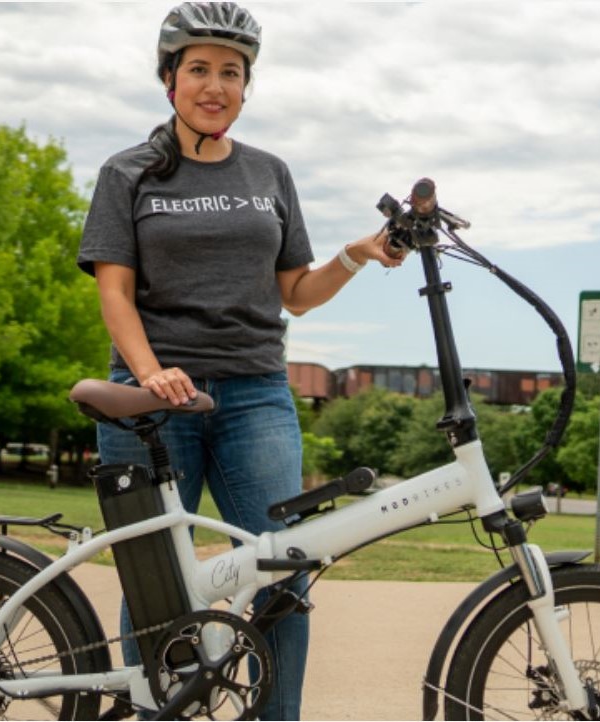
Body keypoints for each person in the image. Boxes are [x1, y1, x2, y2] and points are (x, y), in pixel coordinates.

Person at [77, 3, 406, 718]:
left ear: (246, 86)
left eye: (231, 72)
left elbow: (297, 294)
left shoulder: (269, 173)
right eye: (199, 69)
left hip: (256, 395)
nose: (215, 85)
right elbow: (116, 292)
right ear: (170, 80)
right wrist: (152, 370)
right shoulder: (127, 172)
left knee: (283, 574)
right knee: (156, 586)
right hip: (154, 400)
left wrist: (357, 254)